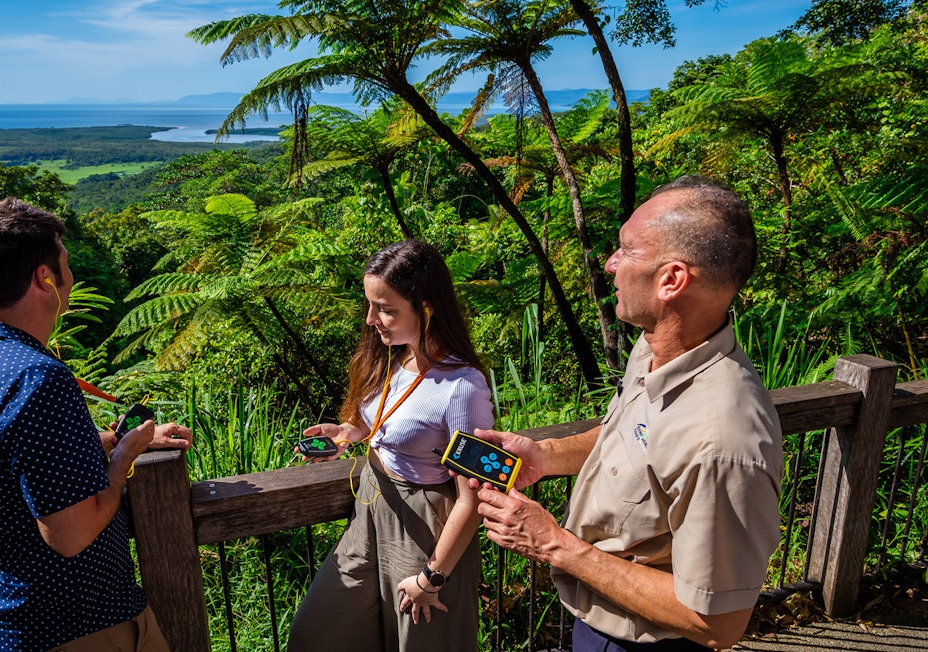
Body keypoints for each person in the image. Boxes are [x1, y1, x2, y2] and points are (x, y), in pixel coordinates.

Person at [470, 176, 784, 651]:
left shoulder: (722, 441)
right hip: (598, 622)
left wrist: (554, 544)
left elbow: (716, 623)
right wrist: (544, 454)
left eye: (626, 249)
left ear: (672, 280)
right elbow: (632, 435)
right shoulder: (657, 348)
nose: (611, 264)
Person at [0, 198, 193, 652]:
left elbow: (15, 461)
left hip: (0, 615)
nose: (71, 276)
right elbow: (71, 535)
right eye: (65, 264)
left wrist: (111, 441)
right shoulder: (36, 376)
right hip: (76, 623)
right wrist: (124, 457)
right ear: (44, 278)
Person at [287, 239, 495, 652]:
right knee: (314, 634)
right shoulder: (394, 355)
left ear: (427, 308)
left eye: (385, 309)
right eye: (370, 305)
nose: (371, 319)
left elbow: (473, 501)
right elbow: (391, 420)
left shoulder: (463, 388)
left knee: (419, 643)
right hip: (371, 507)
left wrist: (432, 577)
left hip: (426, 528)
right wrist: (349, 433)